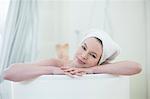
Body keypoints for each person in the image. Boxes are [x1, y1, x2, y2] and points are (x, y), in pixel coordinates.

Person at [3, 30, 142, 82]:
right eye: (83, 47)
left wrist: (91, 70)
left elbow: (136, 67)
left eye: (93, 55)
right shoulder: (57, 63)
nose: (84, 55)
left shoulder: (99, 68)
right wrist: (52, 71)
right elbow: (9, 73)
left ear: (100, 61)